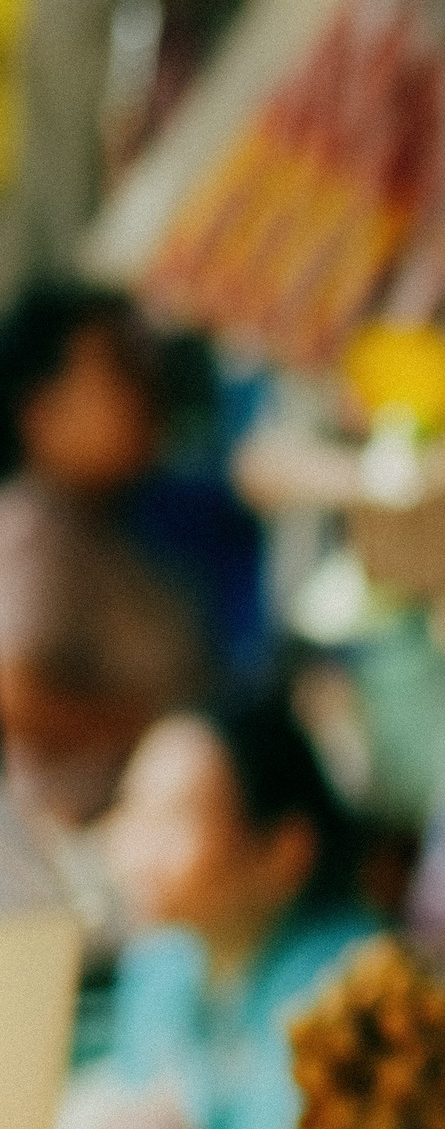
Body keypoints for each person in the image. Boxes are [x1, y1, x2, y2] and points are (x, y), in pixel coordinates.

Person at [97, 692, 378, 1129]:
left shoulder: (352, 986)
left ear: (285, 851)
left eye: (176, 816)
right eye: (132, 807)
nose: (137, 846)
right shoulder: (160, 964)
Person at [0, 284, 245, 825]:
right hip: (108, 838)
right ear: (42, 412)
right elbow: (15, 701)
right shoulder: (35, 533)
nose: (146, 391)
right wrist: (159, 724)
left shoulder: (115, 515)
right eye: (119, 373)